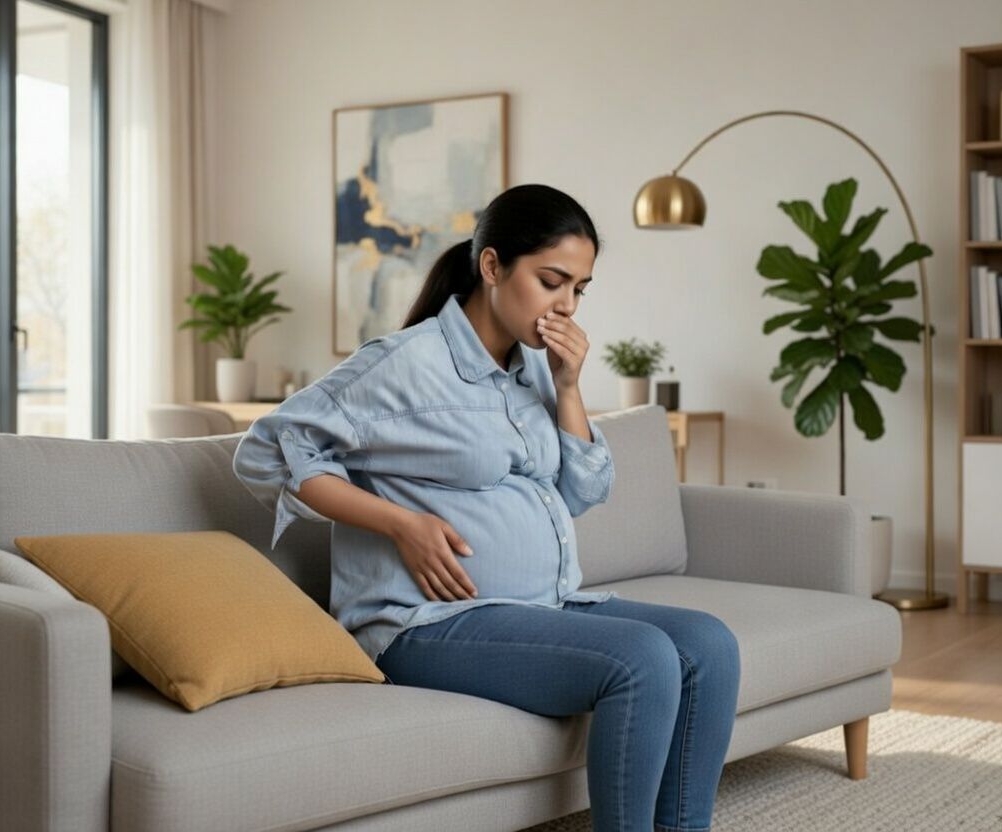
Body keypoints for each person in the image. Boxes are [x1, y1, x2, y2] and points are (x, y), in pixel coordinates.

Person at [233, 183, 740, 832]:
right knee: (640, 659)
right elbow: (268, 450)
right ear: (493, 266)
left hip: (538, 607)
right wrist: (400, 524)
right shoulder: (405, 365)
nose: (566, 305)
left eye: (580, 290)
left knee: (710, 645)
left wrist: (568, 386)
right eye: (552, 280)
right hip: (422, 623)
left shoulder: (532, 370)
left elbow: (584, 491)